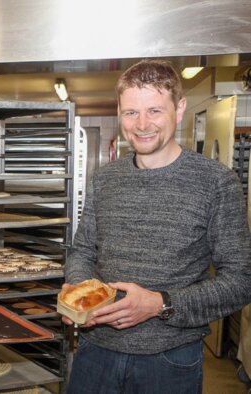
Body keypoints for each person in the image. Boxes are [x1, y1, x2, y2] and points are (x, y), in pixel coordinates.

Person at [63, 59, 251, 393]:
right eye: (130, 112)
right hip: (95, 352)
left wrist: (160, 303)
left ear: (179, 109)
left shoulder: (217, 182)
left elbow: (240, 282)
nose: (141, 124)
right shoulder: (105, 179)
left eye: (154, 111)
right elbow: (82, 252)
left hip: (169, 361)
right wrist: (80, 294)